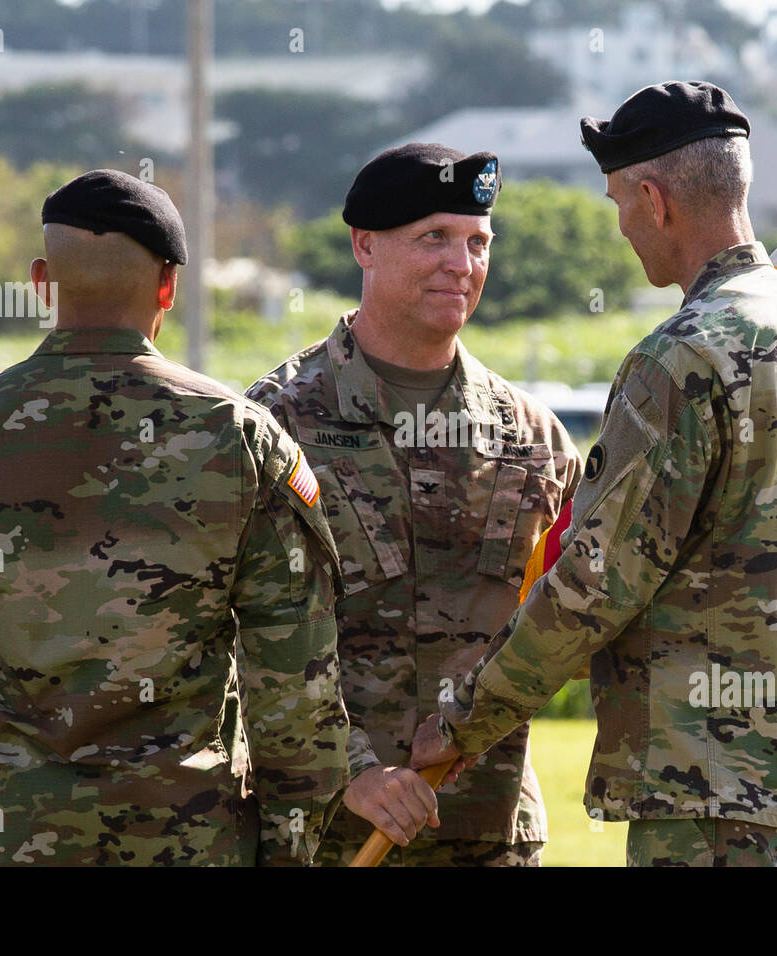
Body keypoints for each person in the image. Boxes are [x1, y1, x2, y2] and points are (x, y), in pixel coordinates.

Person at [412, 82, 777, 867]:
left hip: (711, 789)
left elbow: (595, 584)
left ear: (654, 198)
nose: (622, 228)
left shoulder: (681, 356)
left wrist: (464, 718)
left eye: (617, 205)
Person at [0, 169, 350, 866]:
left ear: (40, 280)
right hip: (195, 844)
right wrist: (287, 853)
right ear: (169, 287)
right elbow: (298, 693)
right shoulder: (242, 443)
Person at [248, 144, 580, 866]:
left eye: (477, 242)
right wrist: (353, 769)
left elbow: (569, 618)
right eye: (434, 237)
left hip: (488, 836)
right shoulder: (275, 424)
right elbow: (242, 631)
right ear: (365, 246)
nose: (461, 264)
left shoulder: (533, 438)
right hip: (325, 836)